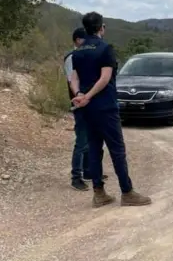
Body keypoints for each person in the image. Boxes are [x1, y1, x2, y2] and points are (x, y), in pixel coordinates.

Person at [69, 12, 151, 207]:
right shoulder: (105, 49)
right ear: (101, 28)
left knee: (95, 149)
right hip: (105, 107)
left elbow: (74, 77)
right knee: (117, 150)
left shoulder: (78, 52)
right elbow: (105, 78)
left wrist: (80, 94)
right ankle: (127, 192)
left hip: (87, 109)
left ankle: (99, 193)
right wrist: (89, 96)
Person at [63, 28, 107, 191]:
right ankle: (76, 177)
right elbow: (72, 81)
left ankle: (89, 171)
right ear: (78, 40)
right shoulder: (72, 58)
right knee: (81, 141)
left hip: (90, 103)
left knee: (92, 139)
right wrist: (82, 97)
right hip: (80, 104)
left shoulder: (83, 56)